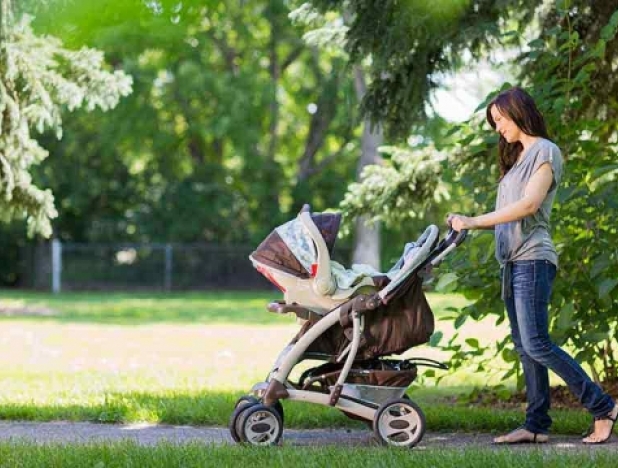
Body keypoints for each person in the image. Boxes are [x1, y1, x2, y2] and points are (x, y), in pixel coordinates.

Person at [447, 86, 617, 445]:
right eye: (493, 122)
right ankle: (536, 423)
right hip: (512, 263)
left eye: (500, 120)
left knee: (538, 343)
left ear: (518, 113)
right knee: (525, 347)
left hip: (534, 259)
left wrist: (474, 221)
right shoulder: (516, 162)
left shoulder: (545, 151)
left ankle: (604, 407)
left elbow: (529, 205)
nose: (498, 129)